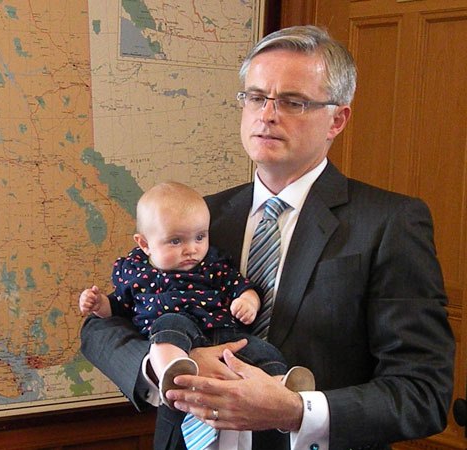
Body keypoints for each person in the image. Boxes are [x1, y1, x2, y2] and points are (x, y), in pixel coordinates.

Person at [80, 25, 455, 450]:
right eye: (256, 97)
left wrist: (295, 410)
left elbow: (423, 392)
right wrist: (160, 365)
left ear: (338, 118)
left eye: (292, 101)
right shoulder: (197, 219)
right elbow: (104, 324)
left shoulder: (390, 223)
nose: (267, 114)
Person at [79, 181, 313, 410]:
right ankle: (173, 368)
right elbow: (119, 309)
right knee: (169, 326)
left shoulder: (212, 264)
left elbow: (238, 285)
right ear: (144, 244)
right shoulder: (136, 272)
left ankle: (281, 385)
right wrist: (100, 304)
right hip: (177, 330)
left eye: (200, 237)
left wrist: (248, 301)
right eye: (176, 241)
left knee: (261, 350)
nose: (191, 249)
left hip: (224, 335)